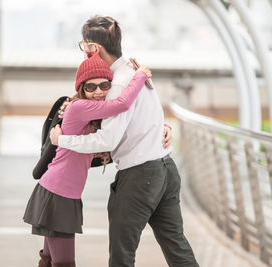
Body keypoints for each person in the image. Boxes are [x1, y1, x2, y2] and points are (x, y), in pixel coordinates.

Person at [50, 16, 199, 267]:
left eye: (84, 46)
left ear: (94, 48)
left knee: (121, 255)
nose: (84, 52)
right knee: (177, 247)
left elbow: (108, 138)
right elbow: (149, 115)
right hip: (165, 169)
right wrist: (163, 127)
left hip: (140, 176)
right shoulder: (136, 71)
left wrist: (62, 140)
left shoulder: (118, 83)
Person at [23, 52, 152, 267]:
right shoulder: (79, 107)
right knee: (65, 263)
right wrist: (139, 76)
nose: (98, 92)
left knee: (49, 258)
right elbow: (121, 104)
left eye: (104, 85)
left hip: (61, 193)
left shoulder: (92, 115)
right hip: (58, 195)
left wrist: (162, 128)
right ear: (81, 88)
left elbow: (126, 125)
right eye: (90, 87)